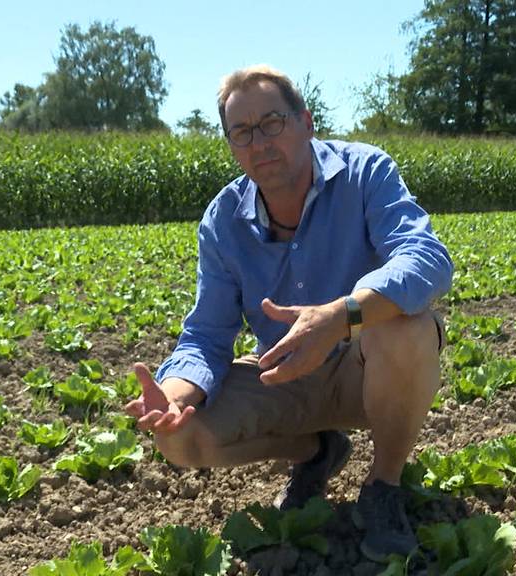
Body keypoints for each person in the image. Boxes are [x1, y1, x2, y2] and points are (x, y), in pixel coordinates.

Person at [123, 64, 453, 561]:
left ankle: (383, 485)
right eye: (242, 133)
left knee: (406, 330)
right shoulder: (223, 221)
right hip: (285, 376)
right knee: (183, 437)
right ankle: (318, 451)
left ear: (305, 121)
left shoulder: (365, 173)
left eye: (272, 123)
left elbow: (426, 259)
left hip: (364, 370)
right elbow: (207, 336)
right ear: (232, 146)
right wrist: (174, 395)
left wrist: (342, 315)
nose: (259, 142)